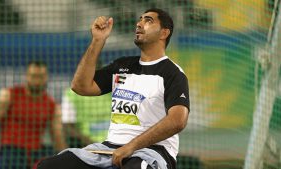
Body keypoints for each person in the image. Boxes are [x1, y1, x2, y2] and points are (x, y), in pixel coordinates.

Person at [37, 8, 190, 169]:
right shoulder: (122, 65)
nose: (139, 23)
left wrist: (131, 146)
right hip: (108, 149)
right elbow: (80, 86)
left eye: (148, 20)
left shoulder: (173, 73)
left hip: (152, 151)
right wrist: (98, 40)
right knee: (49, 166)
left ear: (164, 33)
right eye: (140, 19)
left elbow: (177, 121)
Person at [0, 61, 67, 169]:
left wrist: (65, 161)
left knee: (50, 157)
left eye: (40, 76)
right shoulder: (8, 95)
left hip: (36, 153)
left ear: (46, 77)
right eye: (33, 76)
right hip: (11, 152)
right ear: (27, 76)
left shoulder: (51, 105)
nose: (37, 81)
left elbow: (58, 137)